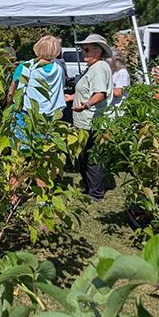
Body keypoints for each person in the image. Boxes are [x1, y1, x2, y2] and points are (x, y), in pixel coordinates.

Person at [66, 34, 114, 201]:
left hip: (92, 122)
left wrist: (86, 105)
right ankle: (90, 189)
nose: (82, 52)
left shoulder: (99, 68)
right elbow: (87, 90)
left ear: (98, 51)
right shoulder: (94, 67)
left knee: (92, 158)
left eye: (86, 49)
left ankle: (96, 193)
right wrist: (72, 98)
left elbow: (100, 93)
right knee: (85, 156)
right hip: (86, 121)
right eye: (82, 49)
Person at [9, 36, 66, 133]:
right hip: (49, 116)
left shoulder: (25, 66)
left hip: (25, 113)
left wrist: (9, 106)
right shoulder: (59, 69)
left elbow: (11, 92)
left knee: (22, 144)